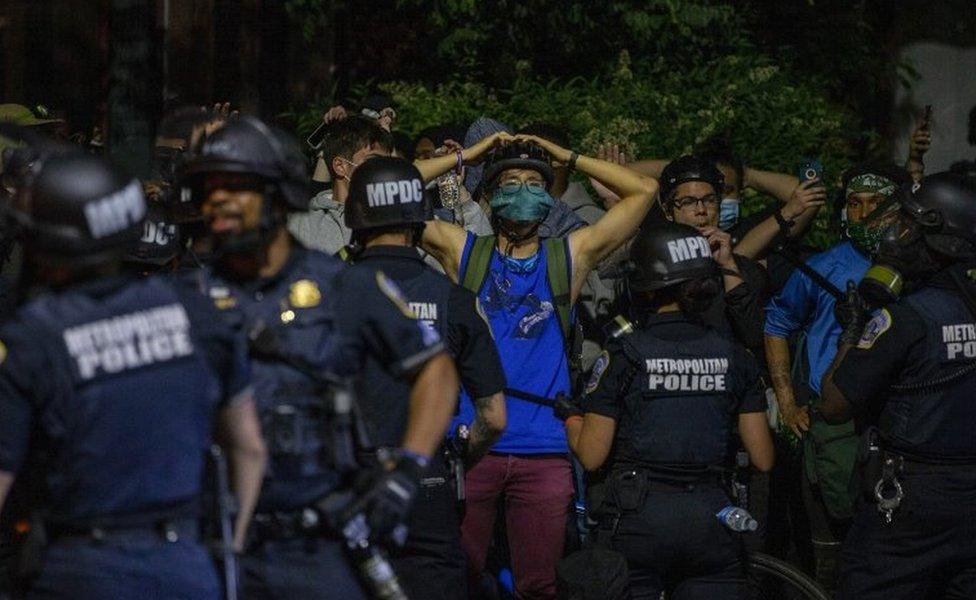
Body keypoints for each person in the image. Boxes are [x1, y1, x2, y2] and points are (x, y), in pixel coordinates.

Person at [182, 115, 460, 599]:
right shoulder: (191, 296)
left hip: (317, 546)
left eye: (237, 186)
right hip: (215, 539)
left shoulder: (342, 286)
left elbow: (435, 369)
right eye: (208, 188)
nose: (218, 201)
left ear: (277, 193)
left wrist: (407, 471)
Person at [0, 152, 266, 599]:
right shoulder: (198, 313)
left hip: (79, 568)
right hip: (186, 564)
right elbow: (249, 448)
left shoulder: (34, 337)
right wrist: (230, 546)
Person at [421, 134, 657, 598]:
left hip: (545, 451)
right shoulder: (464, 250)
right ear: (489, 195)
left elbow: (643, 193)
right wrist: (466, 157)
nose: (525, 191)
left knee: (540, 586)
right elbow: (384, 191)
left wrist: (566, 154)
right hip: (473, 446)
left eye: (536, 183)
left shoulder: (567, 256)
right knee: (458, 580)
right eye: (512, 182)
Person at [564, 221, 774, 599]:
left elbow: (592, 456)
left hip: (638, 518)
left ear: (643, 287)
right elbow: (762, 457)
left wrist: (571, 417)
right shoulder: (734, 356)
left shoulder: (625, 355)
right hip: (713, 519)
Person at [343, 156, 507, 599]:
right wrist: (456, 458)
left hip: (346, 484)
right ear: (419, 219)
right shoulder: (454, 299)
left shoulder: (327, 292)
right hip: (426, 483)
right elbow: (494, 416)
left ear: (356, 217)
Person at [820, 172, 976, 600]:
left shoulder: (905, 318)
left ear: (934, 236)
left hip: (907, 503)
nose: (895, 232)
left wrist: (853, 329)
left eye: (906, 223)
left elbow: (834, 404)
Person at [764, 162, 911, 594]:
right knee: (834, 538)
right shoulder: (825, 265)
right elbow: (777, 323)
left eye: (877, 205)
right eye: (855, 204)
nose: (865, 214)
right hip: (835, 421)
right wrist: (787, 402)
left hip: (897, 418)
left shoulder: (915, 263)